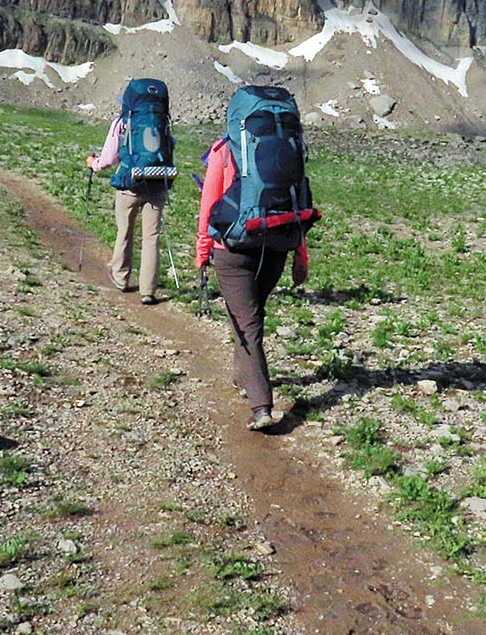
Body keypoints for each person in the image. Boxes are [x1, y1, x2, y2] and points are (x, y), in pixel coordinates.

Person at [195, 86, 316, 430]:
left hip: (232, 249)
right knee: (251, 314)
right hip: (277, 238)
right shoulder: (291, 148)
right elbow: (300, 201)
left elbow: (208, 206)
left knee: (248, 323)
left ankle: (261, 405)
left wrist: (202, 252)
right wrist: (300, 254)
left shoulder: (223, 151)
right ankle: (243, 375)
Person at [88, 79, 174, 304]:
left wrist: (93, 164)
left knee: (124, 230)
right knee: (151, 237)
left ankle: (121, 277)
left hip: (129, 184)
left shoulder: (122, 122)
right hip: (157, 182)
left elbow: (108, 158)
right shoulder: (161, 120)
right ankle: (148, 290)